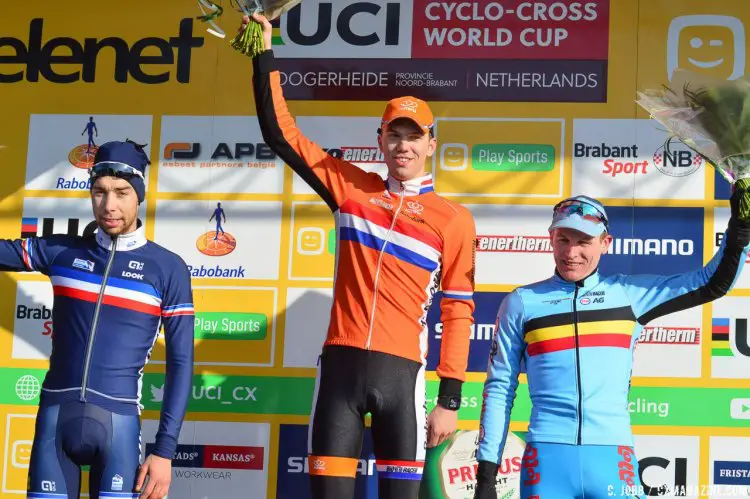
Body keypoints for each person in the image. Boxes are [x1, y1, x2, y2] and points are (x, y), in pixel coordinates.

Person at [244, 14, 477, 499]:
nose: (404, 145)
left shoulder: (453, 219)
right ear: (380, 139)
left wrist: (450, 400)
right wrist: (264, 53)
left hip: (403, 377)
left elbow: (458, 311)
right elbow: (281, 134)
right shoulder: (352, 190)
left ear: (432, 144)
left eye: (414, 136)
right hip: (340, 373)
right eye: (395, 134)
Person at [472, 192, 750, 499]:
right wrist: (487, 472)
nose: (571, 252)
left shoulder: (628, 295)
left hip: (613, 458)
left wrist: (741, 228)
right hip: (547, 459)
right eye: (563, 239)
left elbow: (712, 283)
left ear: (606, 243)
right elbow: (499, 388)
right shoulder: (522, 303)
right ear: (551, 238)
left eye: (583, 242)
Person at [0, 140, 195, 499]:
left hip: (118, 427)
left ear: (139, 195)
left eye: (121, 192)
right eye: (99, 192)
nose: (109, 206)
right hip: (55, 424)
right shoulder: (61, 252)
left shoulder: (168, 269)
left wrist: (165, 451)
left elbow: (181, 364)